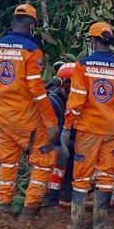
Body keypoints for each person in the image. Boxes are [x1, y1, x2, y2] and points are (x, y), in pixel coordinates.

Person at [0, 4, 59, 218]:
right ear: (32, 27)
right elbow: (37, 92)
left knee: (7, 161)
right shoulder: (32, 51)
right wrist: (51, 122)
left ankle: (4, 207)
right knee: (44, 159)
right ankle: (29, 209)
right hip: (29, 121)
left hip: (4, 118)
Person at [62, 23, 114, 229]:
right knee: (106, 175)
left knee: (82, 176)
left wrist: (67, 127)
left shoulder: (83, 66)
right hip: (111, 130)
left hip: (88, 129)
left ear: (93, 41)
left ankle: (75, 225)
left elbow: (76, 101)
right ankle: (100, 225)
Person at [42, 61, 77, 211]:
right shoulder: (53, 102)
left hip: (68, 140)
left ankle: (67, 195)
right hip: (48, 143)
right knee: (63, 153)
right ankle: (50, 198)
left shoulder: (77, 101)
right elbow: (54, 135)